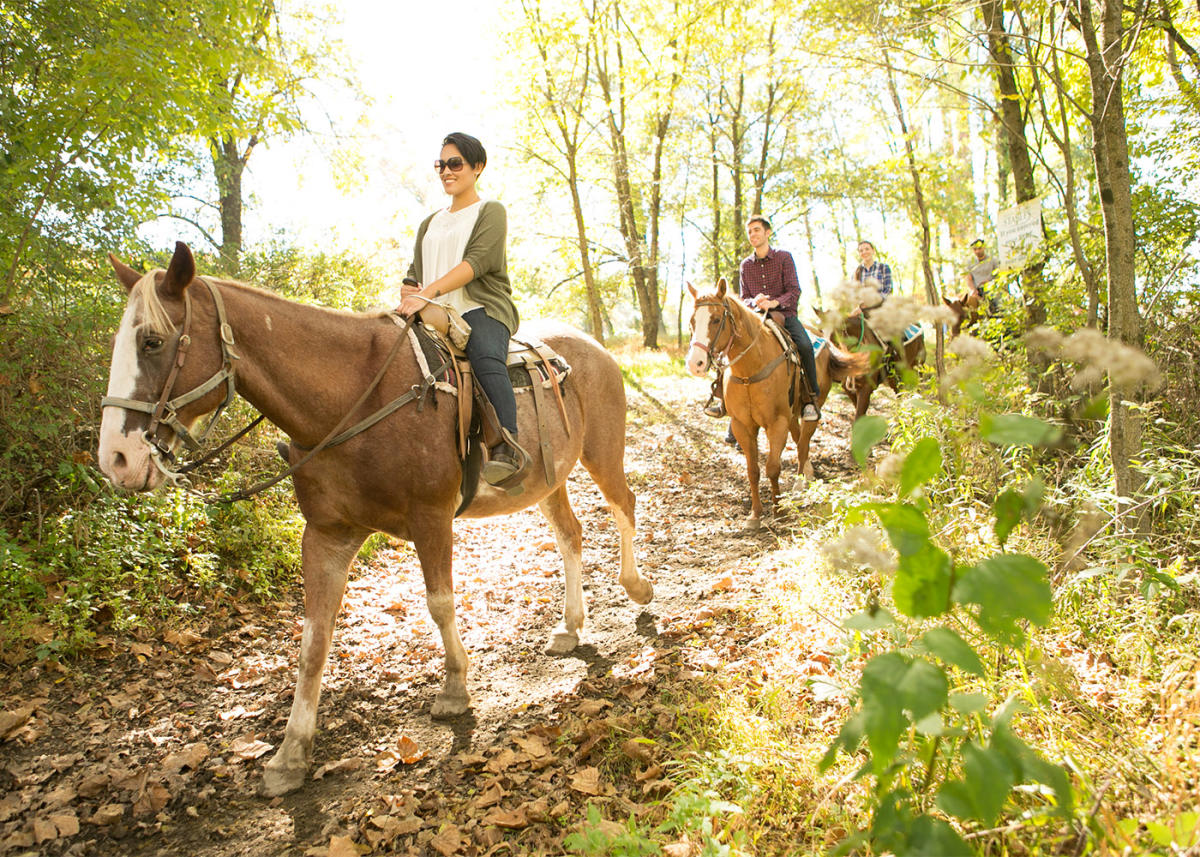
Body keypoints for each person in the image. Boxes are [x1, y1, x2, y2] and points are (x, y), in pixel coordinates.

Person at [396, 132, 526, 489]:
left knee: (485, 357)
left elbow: (477, 263)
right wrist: (410, 288)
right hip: (432, 310)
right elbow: (415, 271)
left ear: (477, 167)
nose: (446, 171)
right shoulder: (430, 223)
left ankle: (507, 448)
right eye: (441, 164)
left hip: (478, 308)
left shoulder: (490, 211)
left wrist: (427, 294)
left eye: (455, 163)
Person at [852, 240, 893, 310]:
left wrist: (873, 301)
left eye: (867, 249)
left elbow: (888, 290)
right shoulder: (856, 272)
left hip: (881, 309)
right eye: (861, 251)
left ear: (873, 251)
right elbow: (854, 294)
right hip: (863, 310)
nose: (864, 252)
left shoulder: (883, 268)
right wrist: (860, 304)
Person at [965, 238, 1000, 313]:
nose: (977, 251)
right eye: (975, 249)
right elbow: (968, 278)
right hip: (977, 291)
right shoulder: (969, 262)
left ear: (984, 247)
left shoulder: (993, 260)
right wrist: (973, 290)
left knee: (997, 305)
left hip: (992, 289)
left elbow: (998, 275)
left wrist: (991, 283)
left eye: (979, 248)